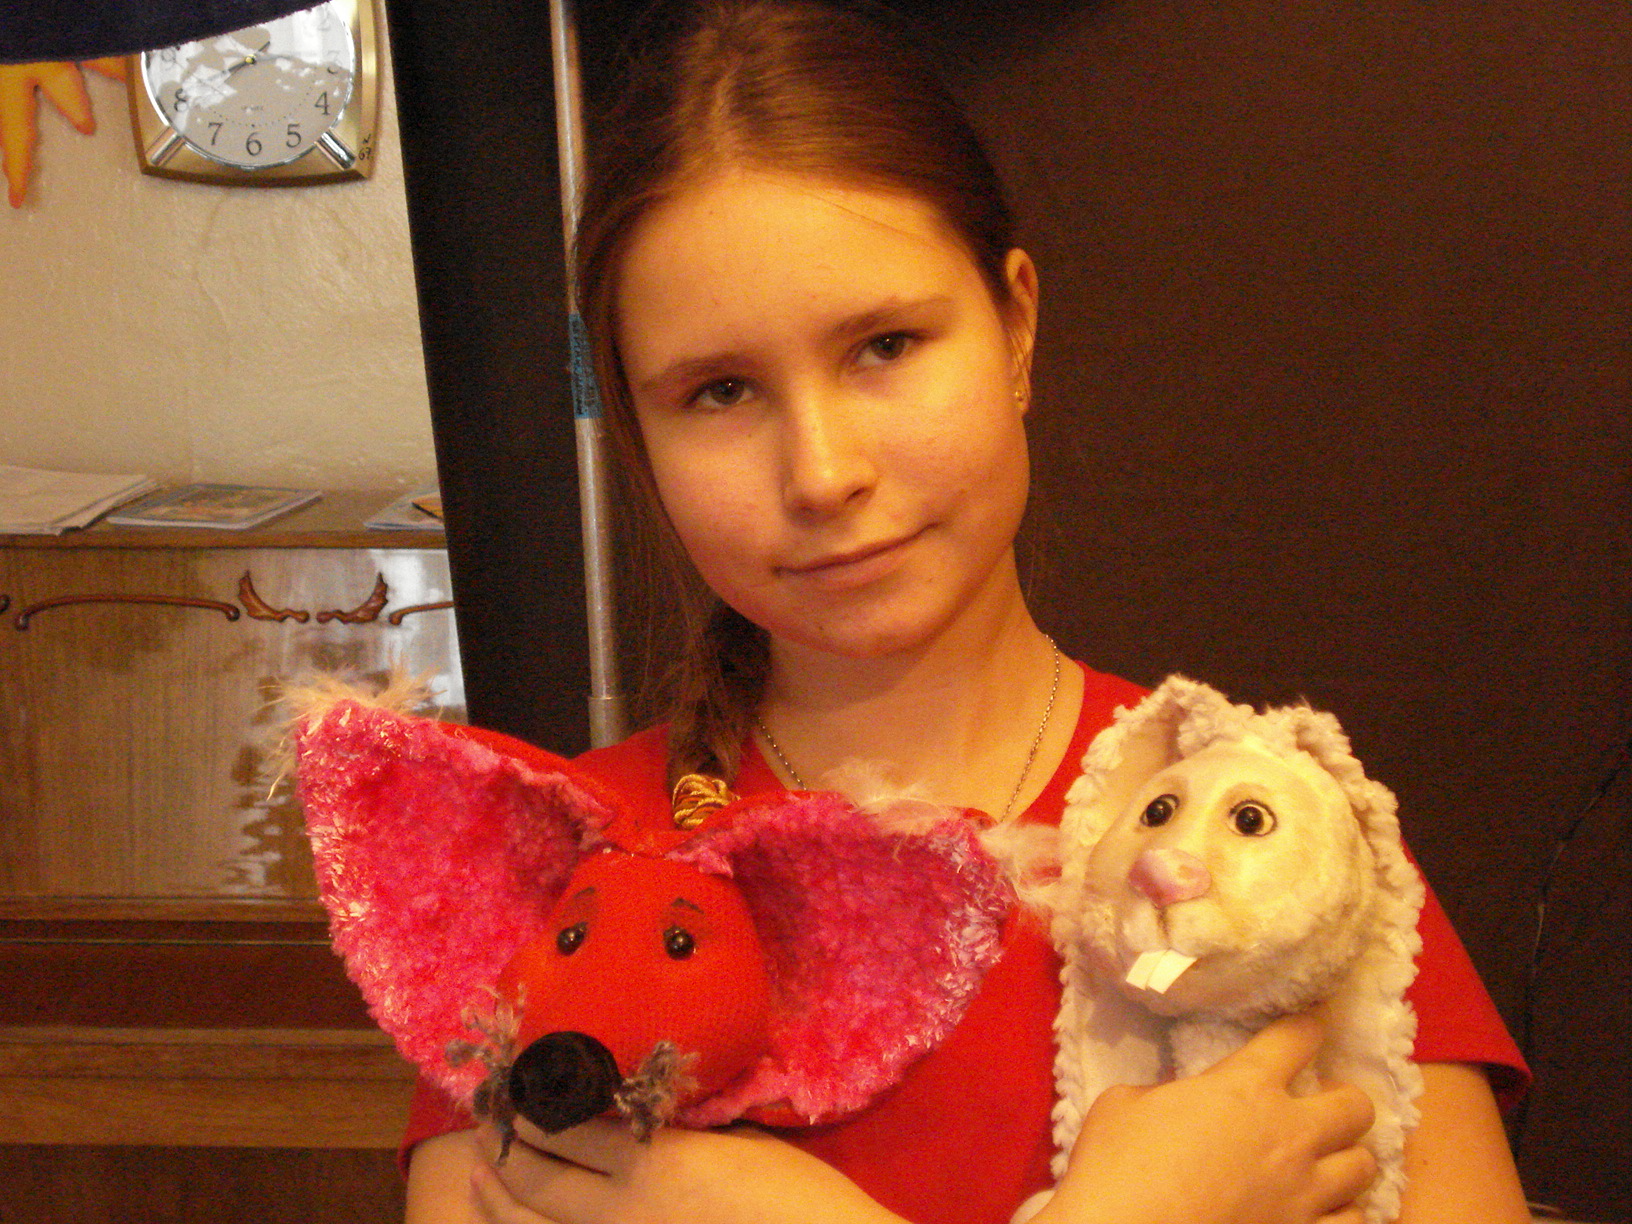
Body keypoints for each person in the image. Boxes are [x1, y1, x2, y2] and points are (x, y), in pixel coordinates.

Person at [400, 2, 1531, 1221]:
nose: (823, 472)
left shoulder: (1268, 831)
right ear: (638, 430)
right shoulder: (556, 887)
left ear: (1016, 325)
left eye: (885, 346)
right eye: (721, 391)